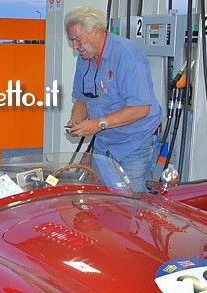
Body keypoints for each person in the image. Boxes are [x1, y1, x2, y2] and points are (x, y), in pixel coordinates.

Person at [64, 6, 162, 192]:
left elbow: (141, 108)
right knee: (107, 201)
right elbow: (83, 99)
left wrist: (97, 124)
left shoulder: (127, 56)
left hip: (135, 143)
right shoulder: (85, 58)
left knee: (132, 204)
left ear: (96, 31)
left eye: (78, 39)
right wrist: (76, 121)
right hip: (105, 142)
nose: (75, 46)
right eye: (72, 41)